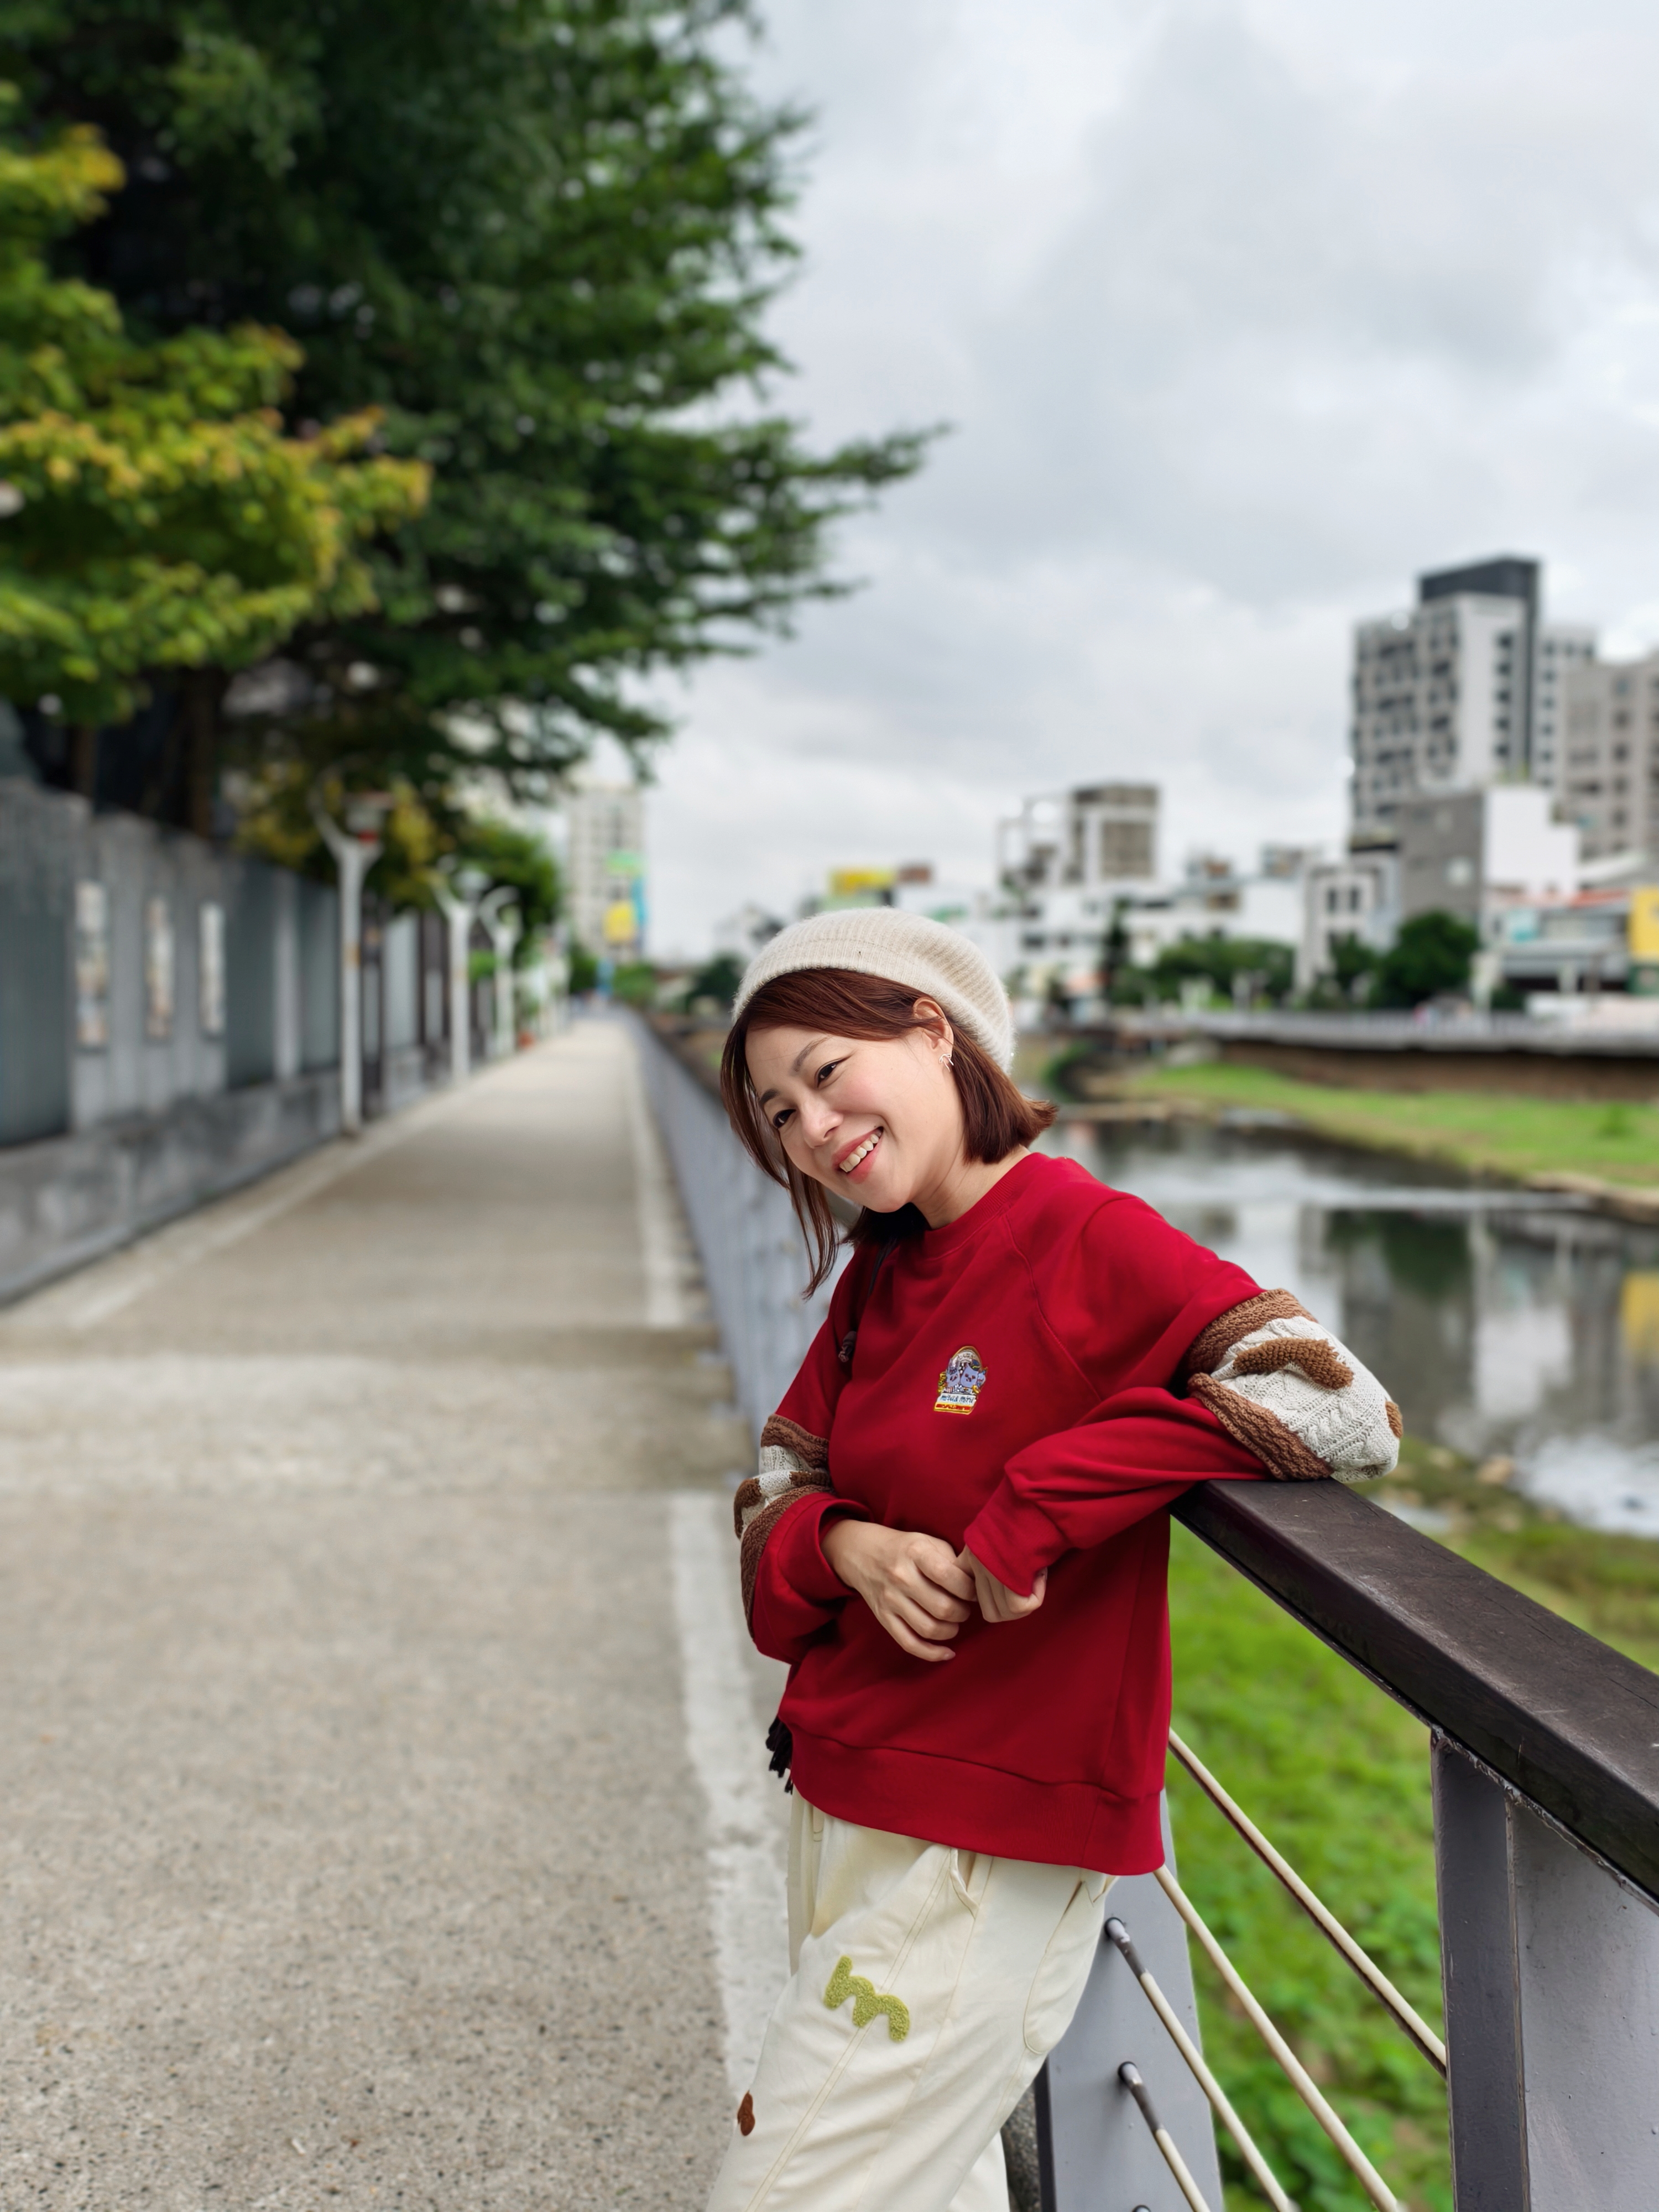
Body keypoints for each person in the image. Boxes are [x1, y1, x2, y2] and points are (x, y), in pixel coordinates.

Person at [705, 910, 1400, 2212]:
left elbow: (1344, 1409)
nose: (811, 1126)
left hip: (985, 1841)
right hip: (847, 1797)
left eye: (824, 1069)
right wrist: (843, 1543)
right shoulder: (881, 1273)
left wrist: (1044, 1498)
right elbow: (777, 1494)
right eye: (777, 1109)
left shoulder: (1086, 1234)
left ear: (931, 1028)